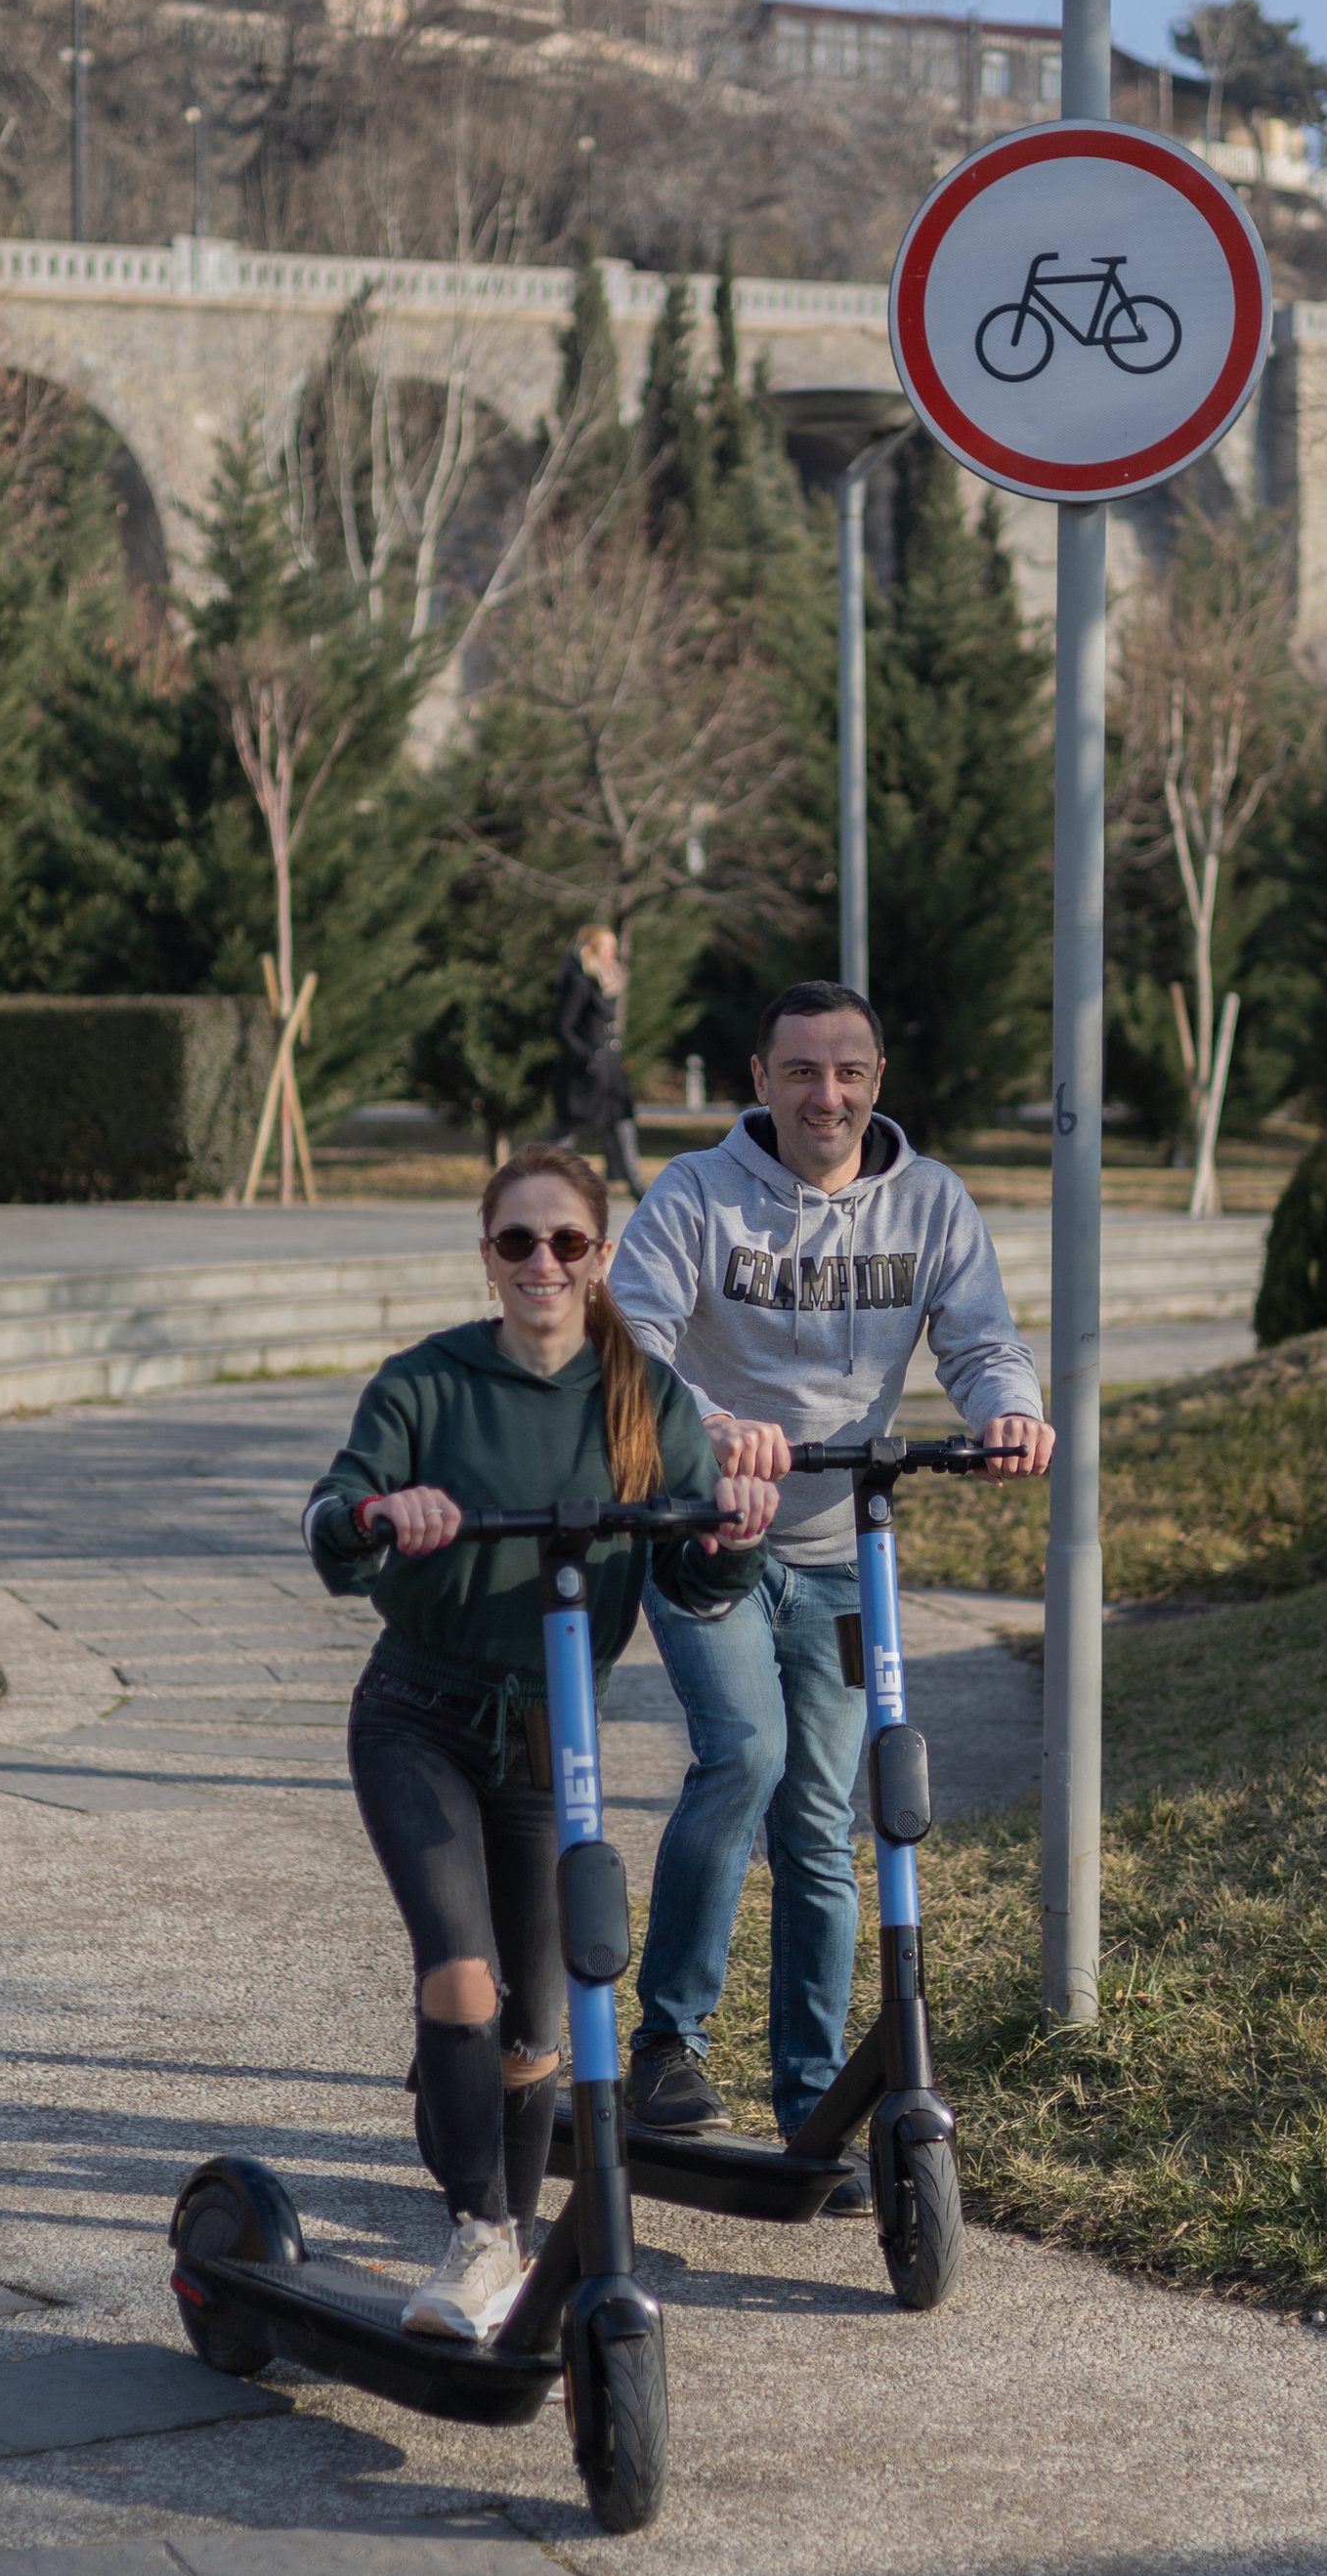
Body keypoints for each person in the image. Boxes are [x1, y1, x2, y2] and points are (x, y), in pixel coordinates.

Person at [304, 1142, 776, 2340]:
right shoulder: (429, 1384)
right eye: (518, 1241)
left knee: (535, 2031)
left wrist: (732, 1536)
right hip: (418, 1718)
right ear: (487, 1256)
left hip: (549, 1747)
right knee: (461, 1976)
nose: (543, 1263)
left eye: (567, 1242)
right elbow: (333, 1523)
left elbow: (696, 1575)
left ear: (602, 1257)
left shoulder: (645, 1400)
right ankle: (479, 2235)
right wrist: (383, 1512)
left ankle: (491, 2210)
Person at [606, 980, 1055, 2196]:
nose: (826, 1095)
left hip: (848, 1544)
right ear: (759, 1078)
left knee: (823, 1821)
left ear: (877, 1080)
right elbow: (628, 1340)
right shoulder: (697, 1197)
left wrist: (1008, 1410)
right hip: (709, 1533)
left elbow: (977, 1339)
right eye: (800, 1071)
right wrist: (711, 1429)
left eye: (847, 1071)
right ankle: (668, 2046)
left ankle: (811, 2087)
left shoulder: (931, 1201)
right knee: (741, 1757)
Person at [551, 924, 646, 1201]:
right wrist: (586, 1058)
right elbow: (562, 1026)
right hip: (585, 1072)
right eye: (607, 947)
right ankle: (536, 1178)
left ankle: (639, 1192)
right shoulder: (580, 981)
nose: (612, 954)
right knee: (564, 1133)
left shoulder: (608, 981)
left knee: (623, 1129)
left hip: (610, 1072)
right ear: (591, 950)